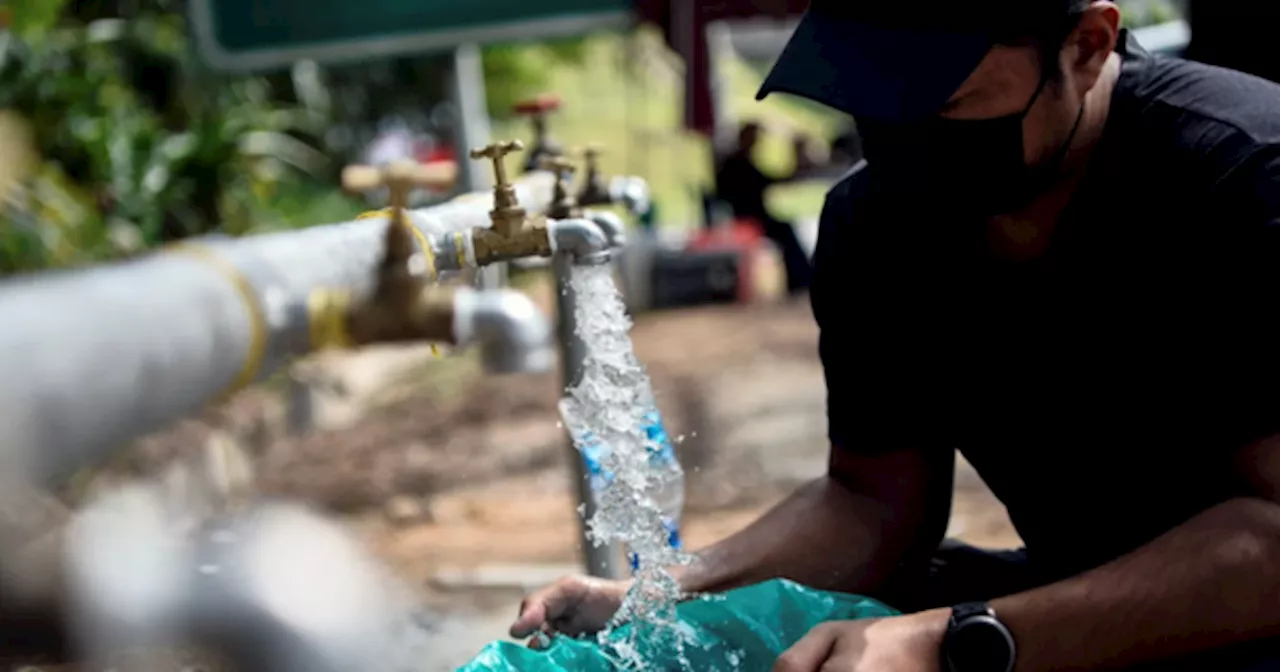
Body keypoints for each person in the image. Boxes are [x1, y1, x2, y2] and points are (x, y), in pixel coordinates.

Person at [512, 1, 1280, 670]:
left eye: (942, 101)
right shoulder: (878, 225)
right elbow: (872, 503)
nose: (904, 138)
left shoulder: (1242, 173)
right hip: (1069, 591)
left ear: (1085, 46)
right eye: (870, 100)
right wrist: (661, 594)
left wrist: (963, 641)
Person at [713, 121, 814, 294]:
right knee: (786, 232)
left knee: (785, 230)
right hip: (749, 218)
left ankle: (801, 280)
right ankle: (801, 280)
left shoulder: (739, 161)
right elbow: (771, 181)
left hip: (750, 216)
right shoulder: (738, 163)